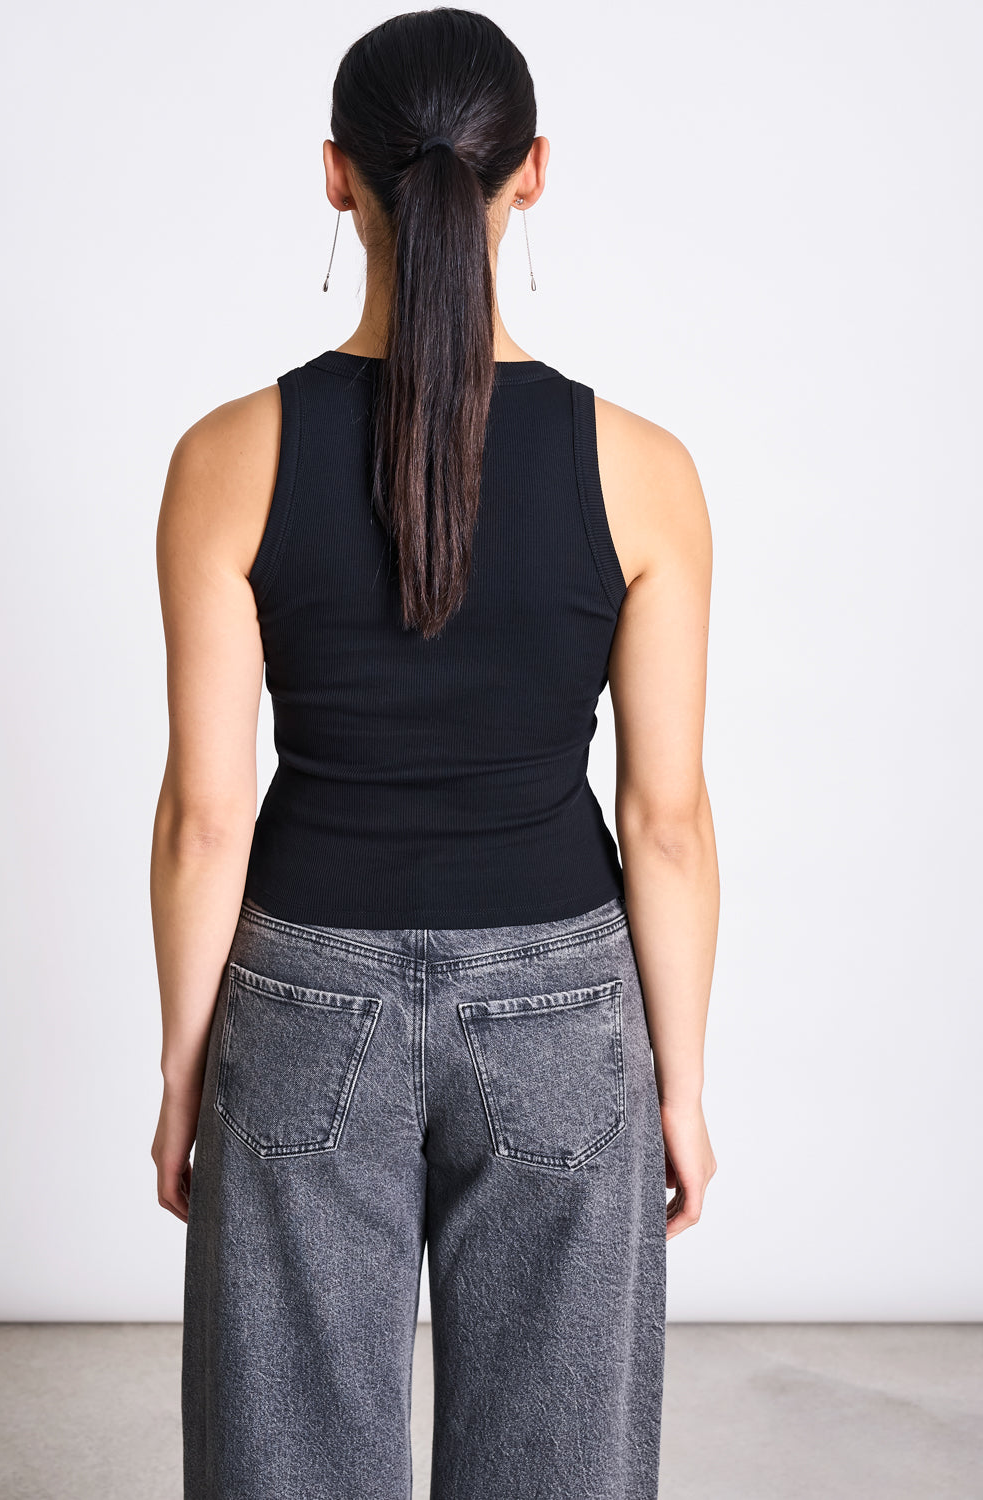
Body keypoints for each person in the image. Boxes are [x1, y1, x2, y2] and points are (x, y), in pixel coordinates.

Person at [149, 9, 718, 1498]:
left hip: (301, 988)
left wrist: (184, 1066)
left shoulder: (227, 459)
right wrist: (685, 1079)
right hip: (561, 1001)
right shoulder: (645, 472)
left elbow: (208, 818)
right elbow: (665, 818)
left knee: (284, 1458)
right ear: (535, 174)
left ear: (337, 178)